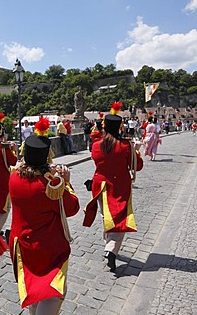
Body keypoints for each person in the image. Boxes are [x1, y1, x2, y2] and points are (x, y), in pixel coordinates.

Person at [8, 116, 80, 315]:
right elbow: (72, 207)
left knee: (32, 289)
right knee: (55, 290)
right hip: (47, 248)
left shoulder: (14, 176)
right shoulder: (51, 186)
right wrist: (65, 181)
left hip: (21, 244)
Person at [83, 102, 143, 272]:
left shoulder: (96, 145)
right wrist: (136, 151)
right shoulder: (125, 146)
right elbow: (137, 166)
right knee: (120, 220)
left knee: (106, 216)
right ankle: (111, 250)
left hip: (100, 185)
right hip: (119, 186)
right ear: (120, 127)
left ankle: (107, 245)